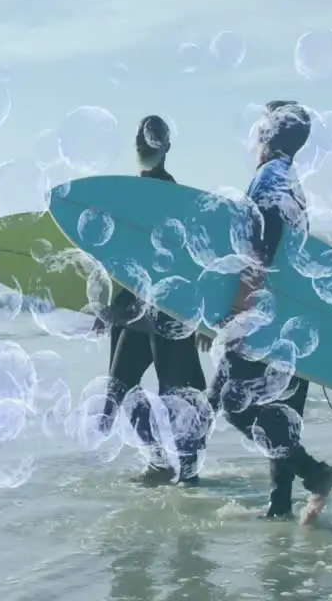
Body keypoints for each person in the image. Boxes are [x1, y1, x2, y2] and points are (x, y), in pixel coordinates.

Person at [203, 100, 332, 522]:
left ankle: (313, 473)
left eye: (260, 124)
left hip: (263, 316)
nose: (253, 132)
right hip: (290, 315)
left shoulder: (267, 181)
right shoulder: (290, 180)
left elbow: (258, 253)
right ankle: (280, 504)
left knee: (232, 403)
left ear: (268, 133)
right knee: (279, 410)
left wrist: (235, 312)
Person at [94, 114, 210, 486]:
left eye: (153, 140)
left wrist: (203, 319)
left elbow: (192, 259)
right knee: (120, 389)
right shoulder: (128, 194)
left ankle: (189, 473)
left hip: (168, 311)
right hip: (134, 312)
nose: (146, 147)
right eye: (142, 141)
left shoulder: (172, 196)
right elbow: (121, 257)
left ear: (166, 148)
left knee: (175, 395)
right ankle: (159, 463)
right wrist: (107, 306)